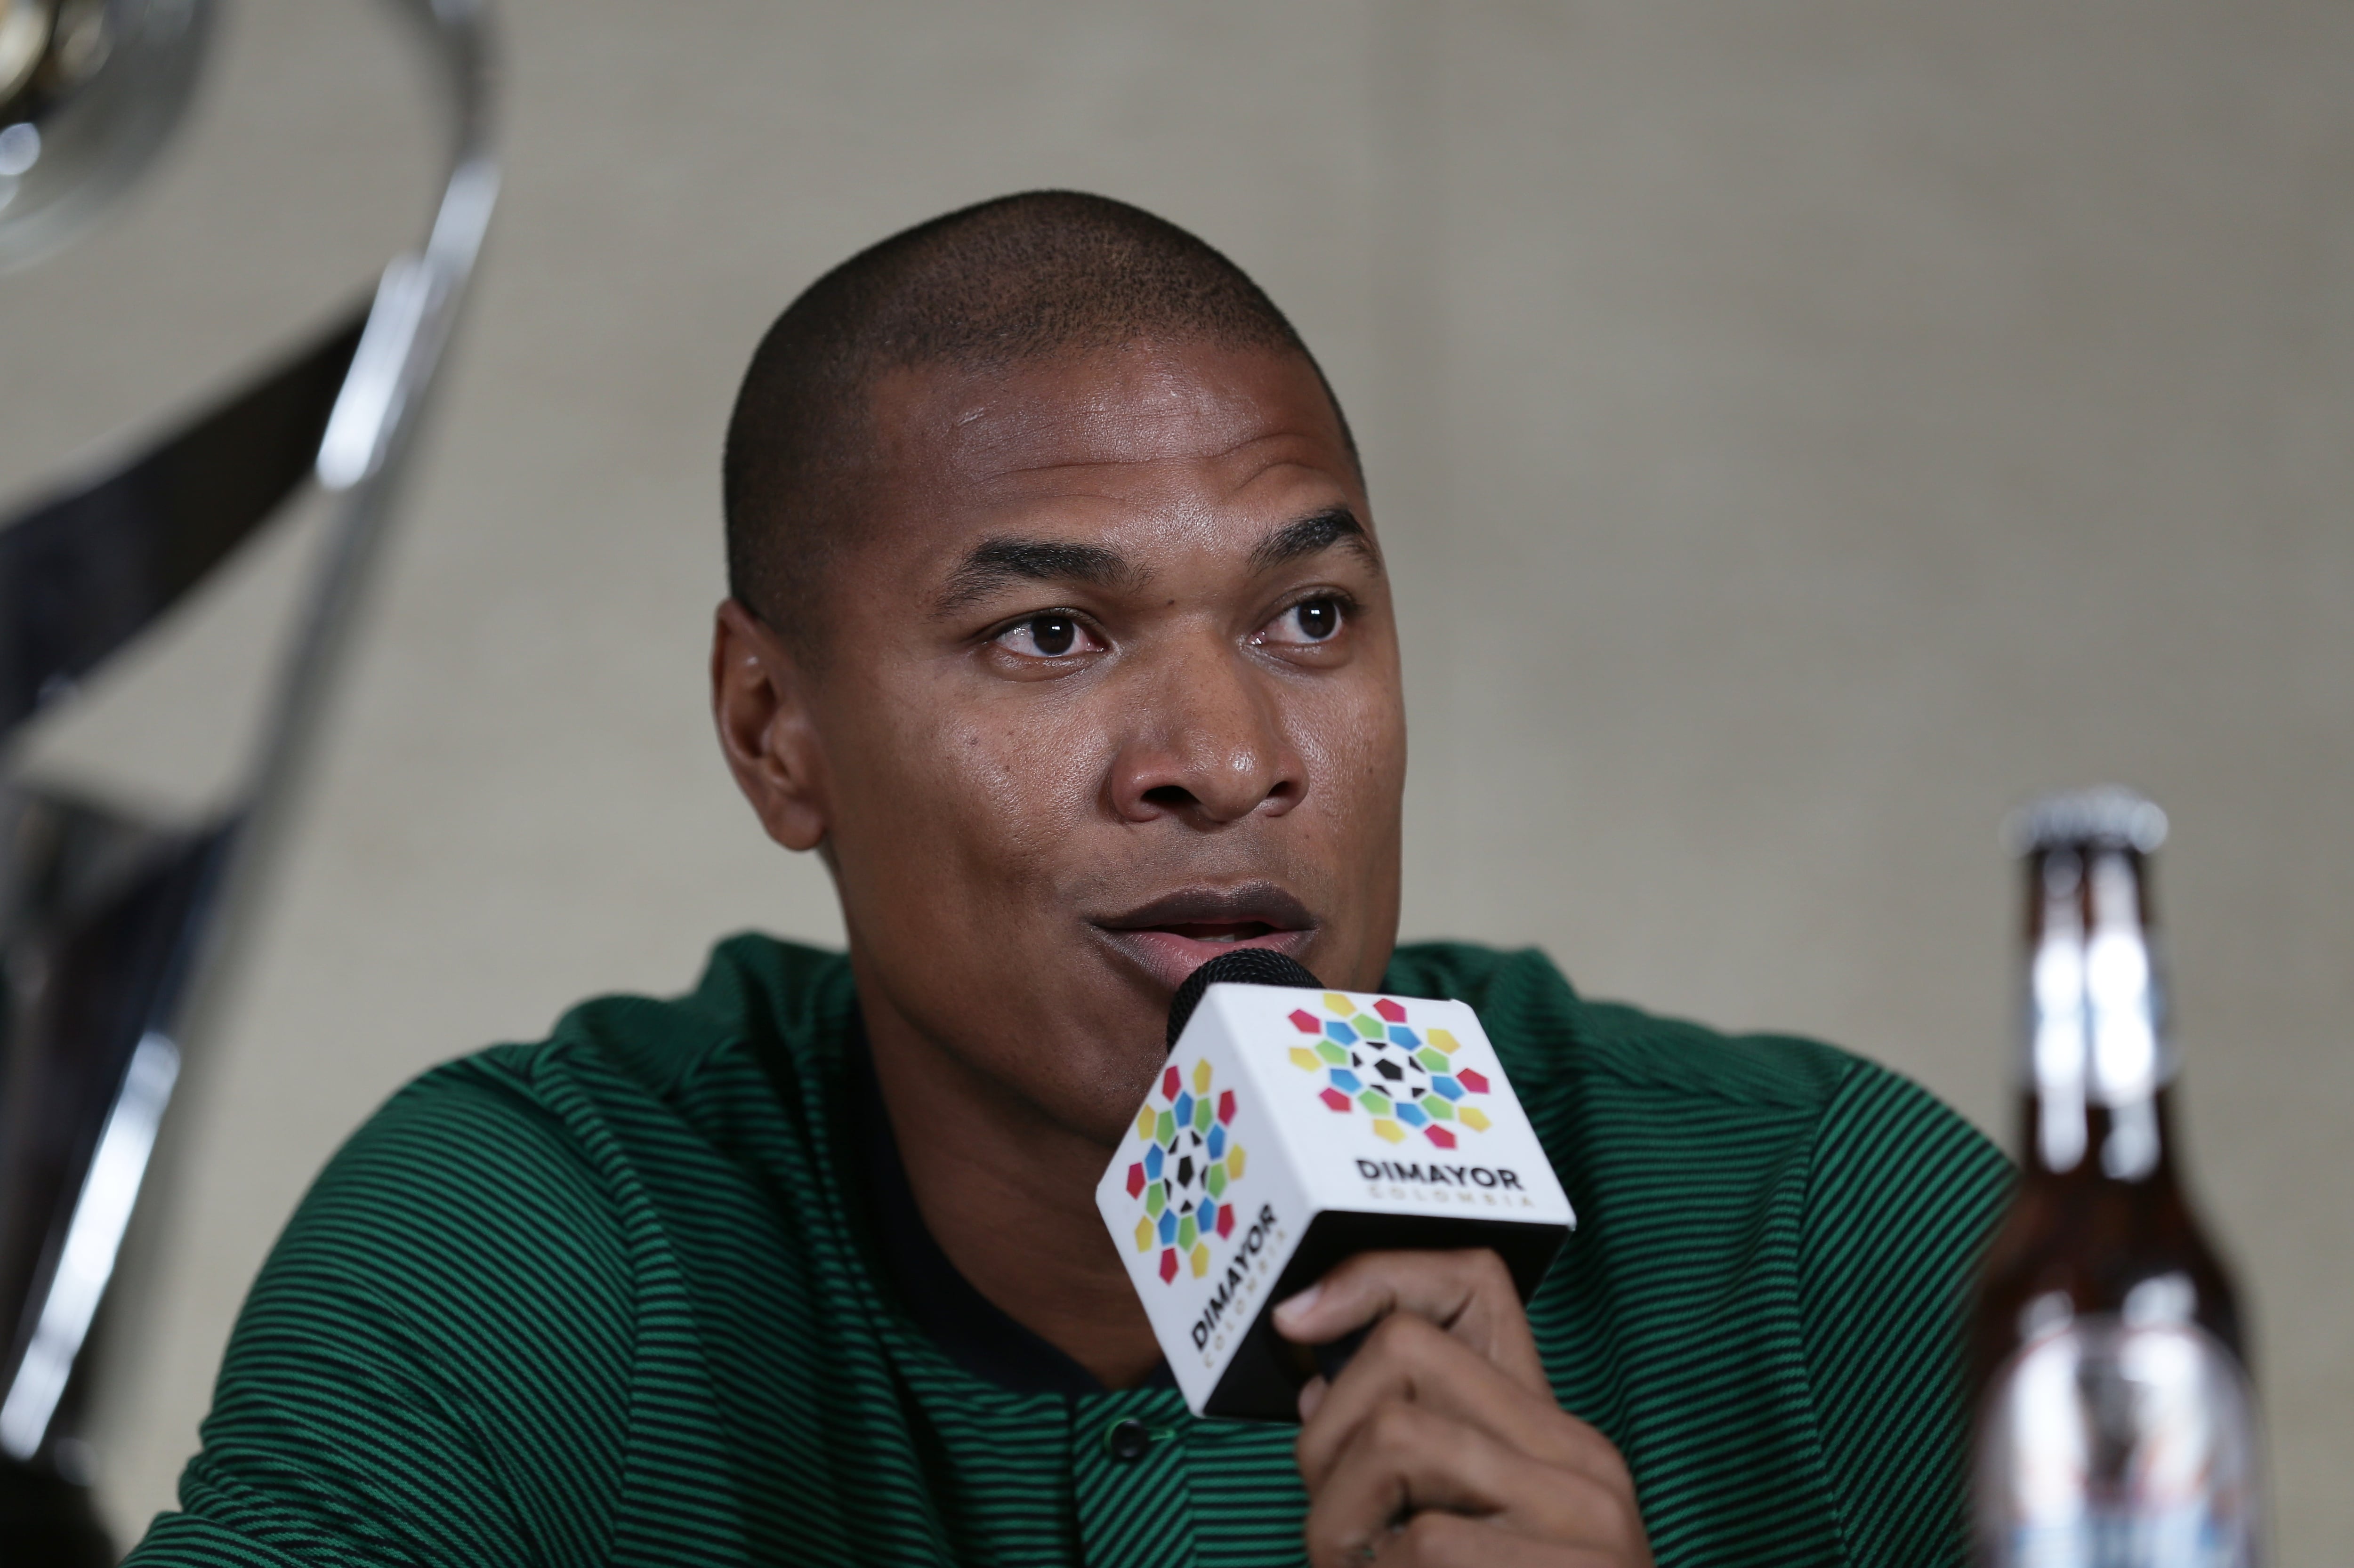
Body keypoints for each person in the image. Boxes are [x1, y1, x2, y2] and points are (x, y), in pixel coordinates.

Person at [126, 192, 2008, 1568]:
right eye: (1050, 633)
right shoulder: (550, 1231)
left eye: (1307, 614)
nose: (1230, 749)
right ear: (774, 729)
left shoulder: (1817, 1225)